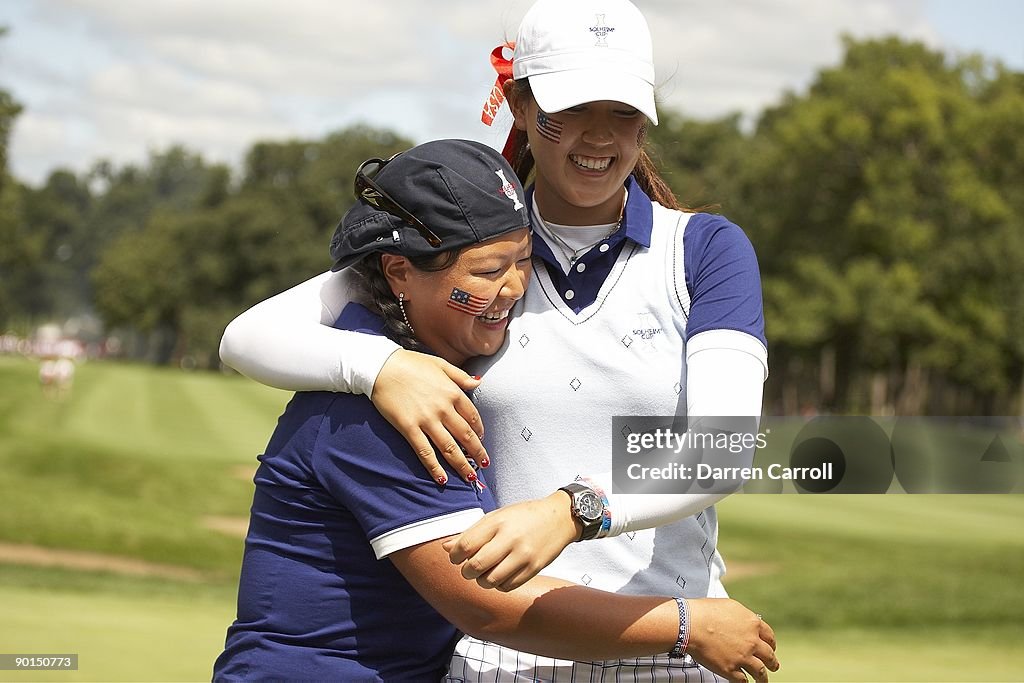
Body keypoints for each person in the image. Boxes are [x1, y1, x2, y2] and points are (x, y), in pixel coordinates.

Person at [218, 1, 771, 680]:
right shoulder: (470, 247)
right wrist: (382, 365)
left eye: (624, 112)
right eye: (571, 110)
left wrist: (574, 510)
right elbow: (247, 335)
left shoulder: (704, 250)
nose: (601, 137)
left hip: (670, 647)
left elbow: (719, 452)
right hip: (503, 657)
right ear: (518, 104)